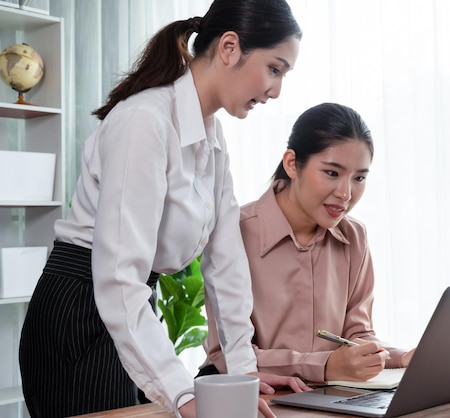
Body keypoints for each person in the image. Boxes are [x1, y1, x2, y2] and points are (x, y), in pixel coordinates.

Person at [18, 1, 309, 417]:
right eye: (275, 69)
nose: (276, 89)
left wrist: (243, 378)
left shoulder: (213, 137)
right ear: (229, 47)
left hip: (130, 305)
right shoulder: (144, 122)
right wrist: (185, 394)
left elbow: (226, 265)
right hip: (82, 311)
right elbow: (118, 277)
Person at [202, 102, 415, 384]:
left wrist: (403, 357)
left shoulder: (354, 237)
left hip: (326, 395)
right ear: (292, 164)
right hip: (244, 396)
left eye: (359, 178)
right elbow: (227, 355)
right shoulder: (235, 233)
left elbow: (357, 336)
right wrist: (322, 366)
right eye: (332, 173)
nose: (346, 193)